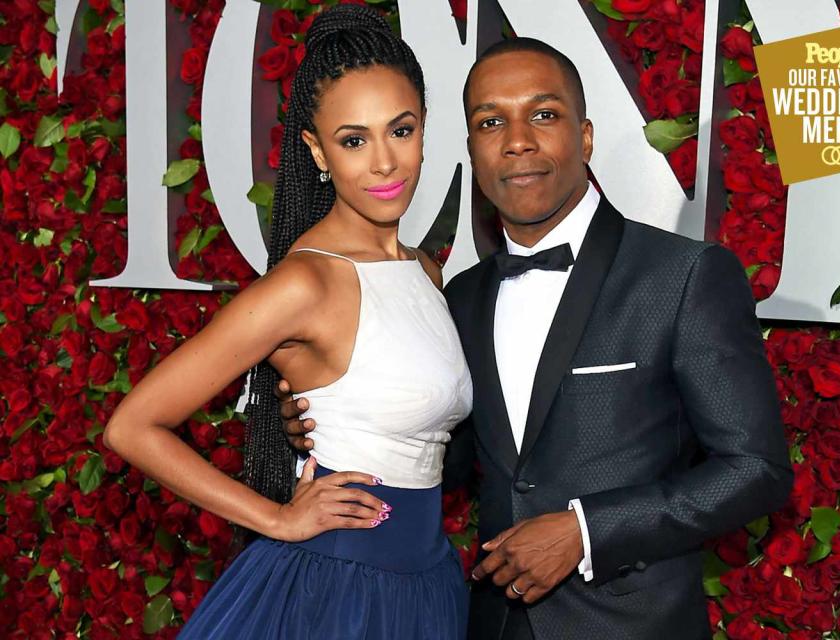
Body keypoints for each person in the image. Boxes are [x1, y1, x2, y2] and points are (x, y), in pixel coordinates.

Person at [281, 37, 793, 640]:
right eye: (491, 121)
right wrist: (351, 421)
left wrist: (585, 530)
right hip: (488, 623)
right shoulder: (459, 297)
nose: (517, 139)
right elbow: (449, 459)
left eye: (544, 115)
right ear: (472, 149)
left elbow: (756, 469)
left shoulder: (682, 276)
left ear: (586, 136)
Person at [103, 5, 471, 639]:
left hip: (429, 585)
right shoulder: (304, 283)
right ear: (316, 150)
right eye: (354, 140)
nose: (384, 161)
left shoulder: (424, 270)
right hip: (334, 594)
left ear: (424, 129)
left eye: (401, 131)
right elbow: (133, 426)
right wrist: (277, 519)